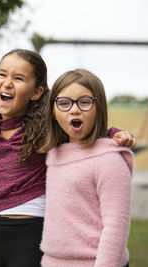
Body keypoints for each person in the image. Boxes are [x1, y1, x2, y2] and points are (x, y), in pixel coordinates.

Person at [0, 49, 136, 267]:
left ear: (37, 92)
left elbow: (78, 122)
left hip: (33, 237)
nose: (7, 82)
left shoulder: (44, 130)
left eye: (19, 78)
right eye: (2, 74)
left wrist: (114, 133)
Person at [39, 68, 133, 267]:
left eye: (85, 102)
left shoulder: (109, 160)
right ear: (53, 111)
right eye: (64, 103)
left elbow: (116, 227)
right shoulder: (54, 153)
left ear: (99, 107)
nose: (74, 109)